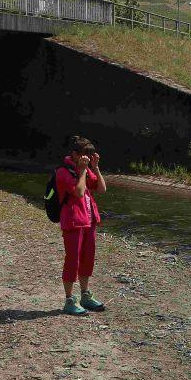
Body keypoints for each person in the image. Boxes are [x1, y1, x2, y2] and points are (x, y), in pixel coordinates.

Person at [56, 135, 107, 316]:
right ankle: (69, 300)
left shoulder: (86, 168)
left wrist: (95, 168)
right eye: (84, 155)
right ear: (75, 155)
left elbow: (101, 189)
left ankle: (85, 295)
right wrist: (83, 171)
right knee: (73, 260)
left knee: (87, 259)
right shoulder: (63, 172)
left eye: (89, 155)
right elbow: (78, 192)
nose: (87, 158)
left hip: (89, 221)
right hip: (73, 222)